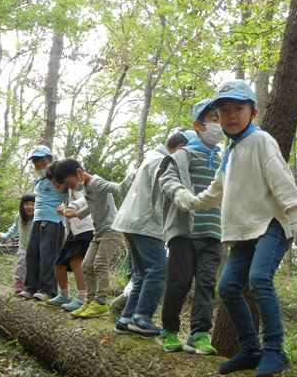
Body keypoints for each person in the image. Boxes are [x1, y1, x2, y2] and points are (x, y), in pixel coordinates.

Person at [172, 80, 297, 377]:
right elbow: (214, 192)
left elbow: (281, 178)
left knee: (260, 277)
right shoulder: (230, 152)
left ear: (254, 112)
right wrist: (192, 201)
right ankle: (250, 349)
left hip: (271, 224)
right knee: (228, 287)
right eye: (224, 111)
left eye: (238, 108)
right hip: (245, 232)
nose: (231, 116)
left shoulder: (261, 141)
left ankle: (275, 349)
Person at [111, 130, 194, 338]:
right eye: (189, 152)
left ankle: (127, 318)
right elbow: (165, 192)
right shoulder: (165, 161)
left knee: (142, 274)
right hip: (146, 223)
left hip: (131, 222)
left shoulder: (152, 157)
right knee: (158, 270)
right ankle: (143, 317)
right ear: (181, 147)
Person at [157, 99, 223, 354]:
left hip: (213, 233)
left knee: (207, 283)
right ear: (199, 125)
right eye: (215, 119)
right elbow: (167, 178)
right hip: (184, 233)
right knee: (179, 282)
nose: (219, 125)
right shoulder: (183, 153)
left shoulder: (224, 159)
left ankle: (199, 333)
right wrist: (180, 193)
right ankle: (170, 330)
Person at [55, 158, 130, 319]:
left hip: (112, 229)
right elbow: (91, 205)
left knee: (100, 263)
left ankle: (101, 303)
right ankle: (90, 300)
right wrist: (76, 214)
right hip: (99, 232)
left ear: (79, 172)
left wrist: (136, 174)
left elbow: (118, 187)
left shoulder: (97, 183)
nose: (70, 187)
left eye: (69, 183)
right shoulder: (87, 187)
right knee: (87, 265)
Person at [20, 152, 68, 301]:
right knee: (32, 254)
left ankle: (47, 289)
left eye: (43, 164)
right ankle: (30, 286)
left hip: (54, 220)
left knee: (48, 256)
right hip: (37, 219)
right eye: (37, 165)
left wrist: (67, 206)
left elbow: (72, 191)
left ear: (50, 161)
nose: (40, 167)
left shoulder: (58, 177)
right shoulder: (40, 181)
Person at [46, 185, 94, 311]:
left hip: (85, 229)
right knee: (59, 264)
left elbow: (85, 199)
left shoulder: (77, 186)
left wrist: (73, 206)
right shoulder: (66, 192)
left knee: (76, 262)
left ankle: (82, 298)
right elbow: (68, 206)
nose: (56, 184)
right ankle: (64, 295)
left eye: (56, 181)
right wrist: (63, 206)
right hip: (72, 233)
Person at [0, 192, 36, 293]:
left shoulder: (38, 217)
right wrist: (7, 235)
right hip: (23, 246)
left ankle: (33, 285)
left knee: (34, 266)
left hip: (35, 247)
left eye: (33, 204)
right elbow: (15, 227)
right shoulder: (19, 216)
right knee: (22, 262)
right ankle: (19, 282)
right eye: (26, 204)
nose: (29, 206)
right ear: (22, 205)